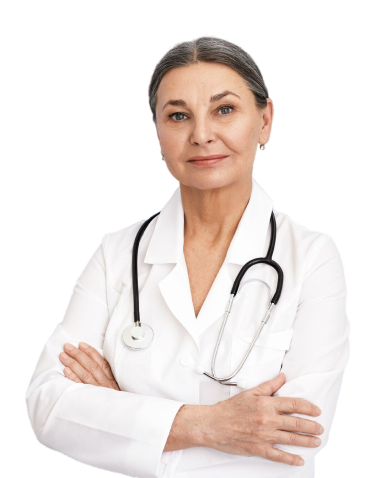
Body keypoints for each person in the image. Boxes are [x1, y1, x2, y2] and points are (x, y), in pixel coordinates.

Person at [25, 34, 350, 478]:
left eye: (224, 110)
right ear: (158, 132)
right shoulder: (115, 253)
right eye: (178, 115)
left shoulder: (313, 257)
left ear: (265, 121)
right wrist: (207, 426)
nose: (201, 135)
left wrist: (120, 413)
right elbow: (47, 406)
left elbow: (296, 434)